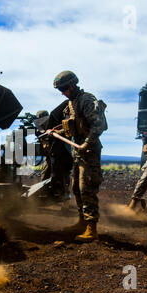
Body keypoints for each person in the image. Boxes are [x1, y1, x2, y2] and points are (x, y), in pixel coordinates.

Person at [50, 71, 107, 242]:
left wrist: (86, 145)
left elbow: (100, 125)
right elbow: (72, 127)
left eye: (63, 88)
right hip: (78, 152)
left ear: (72, 85)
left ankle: (92, 228)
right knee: (76, 188)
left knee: (86, 188)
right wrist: (56, 131)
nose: (62, 92)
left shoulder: (87, 100)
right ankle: (82, 222)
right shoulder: (71, 104)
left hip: (89, 152)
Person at [36, 107, 73, 202]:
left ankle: (65, 200)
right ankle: (44, 194)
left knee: (63, 178)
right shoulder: (42, 129)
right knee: (45, 175)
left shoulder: (56, 125)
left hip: (62, 156)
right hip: (50, 156)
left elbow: (64, 135)